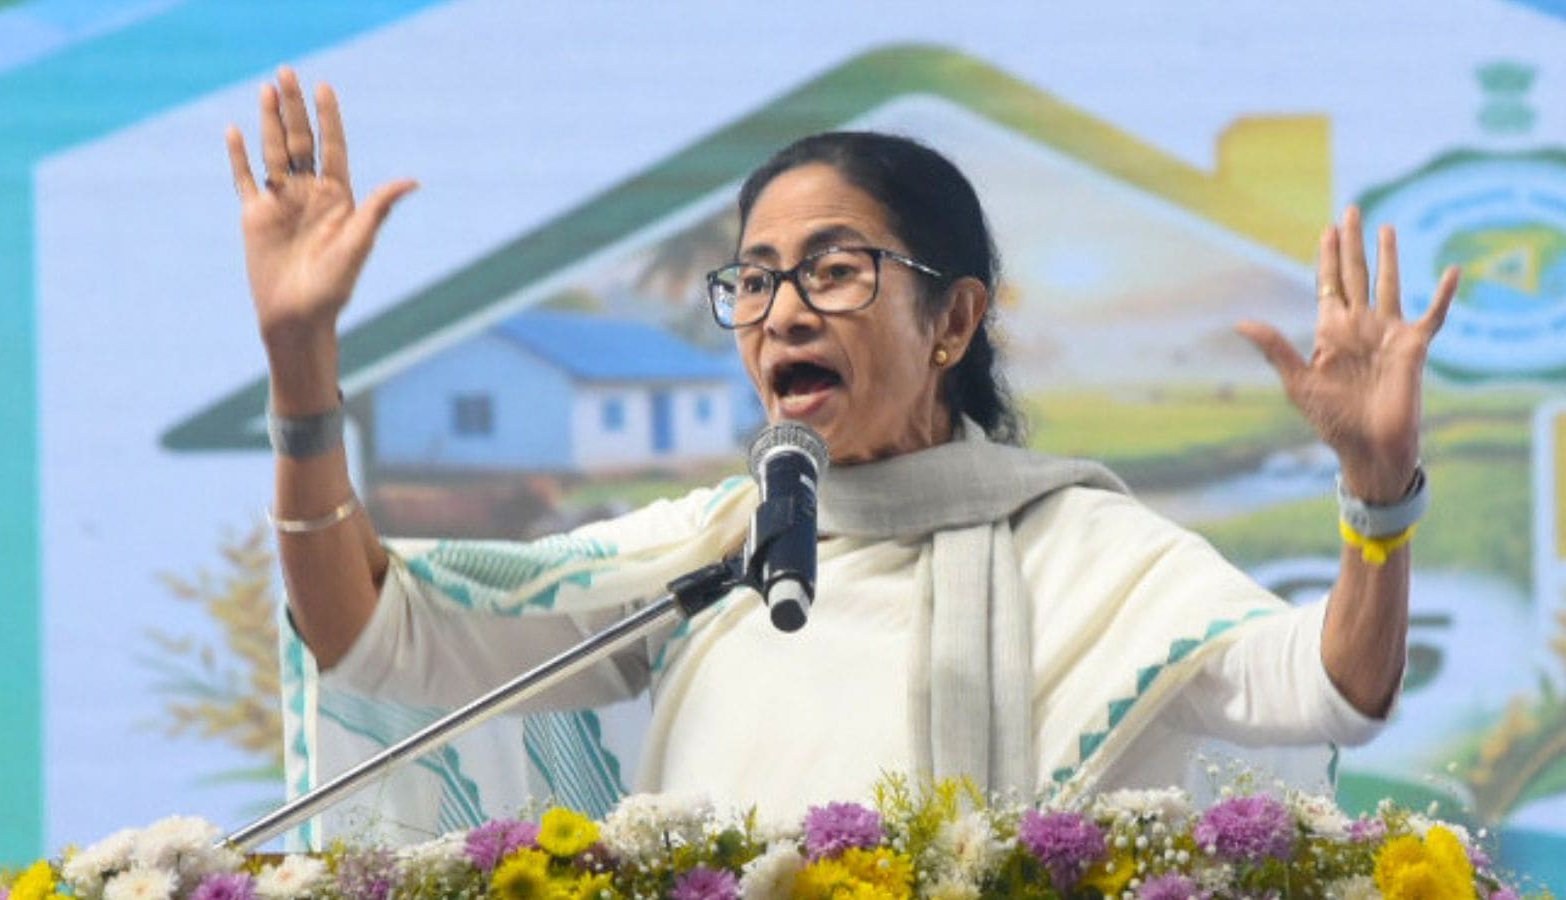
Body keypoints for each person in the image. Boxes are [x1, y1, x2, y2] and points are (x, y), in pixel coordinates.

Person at [226, 68, 1460, 843]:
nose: (782, 313)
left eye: (832, 270)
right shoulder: (707, 555)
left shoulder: (1089, 555)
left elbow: (1333, 689)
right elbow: (370, 633)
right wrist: (300, 365)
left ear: (954, 321)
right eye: (755, 280)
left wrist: (1376, 493)